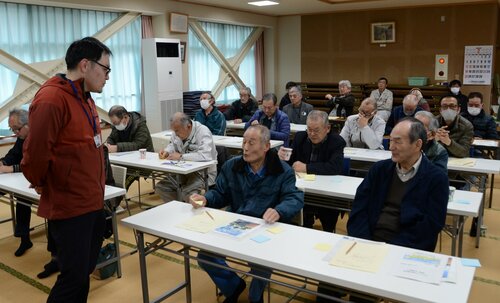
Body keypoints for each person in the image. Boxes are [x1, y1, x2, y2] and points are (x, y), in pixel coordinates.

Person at [318, 118, 449, 303]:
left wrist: (392, 251)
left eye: (398, 141)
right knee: (328, 280)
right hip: (369, 240)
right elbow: (359, 209)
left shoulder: (436, 178)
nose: (391, 147)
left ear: (418, 144)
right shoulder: (380, 170)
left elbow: (431, 225)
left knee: (366, 292)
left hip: (405, 247)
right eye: (391, 141)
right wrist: (365, 242)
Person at [21, 37, 111, 302]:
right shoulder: (52, 99)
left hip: (92, 200)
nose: (107, 76)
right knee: (72, 279)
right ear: (86, 65)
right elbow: (35, 155)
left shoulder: (85, 98)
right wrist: (42, 183)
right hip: (71, 207)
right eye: (105, 69)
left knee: (83, 273)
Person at [190, 125, 304, 303]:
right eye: (244, 142)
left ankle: (254, 296)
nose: (245, 147)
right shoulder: (232, 166)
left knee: (261, 260)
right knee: (206, 256)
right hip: (236, 221)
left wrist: (279, 210)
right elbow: (220, 193)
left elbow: (294, 197)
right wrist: (206, 199)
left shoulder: (282, 170)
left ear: (266, 146)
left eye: (251, 142)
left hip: (265, 227)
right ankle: (234, 287)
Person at [278, 110, 345, 232]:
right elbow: (290, 162)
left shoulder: (337, 141)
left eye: (316, 130)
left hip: (327, 192)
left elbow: (335, 167)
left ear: (327, 128)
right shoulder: (300, 137)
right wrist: (281, 157)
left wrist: (307, 168)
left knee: (328, 222)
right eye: (309, 129)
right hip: (302, 188)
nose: (312, 134)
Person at [156, 112, 217, 202]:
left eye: (177, 131)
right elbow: (172, 145)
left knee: (188, 193)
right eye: (174, 131)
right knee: (162, 187)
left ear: (188, 126)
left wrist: (181, 156)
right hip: (183, 171)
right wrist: (166, 152)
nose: (175, 134)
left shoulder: (203, 132)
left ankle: (189, 211)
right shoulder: (177, 132)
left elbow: (205, 156)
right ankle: (178, 208)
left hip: (203, 173)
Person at [0, 109, 32, 256]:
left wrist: (11, 168)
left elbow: (34, 163)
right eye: (12, 130)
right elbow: (13, 155)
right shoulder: (21, 137)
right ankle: (24, 237)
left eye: (16, 129)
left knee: (22, 197)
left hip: (36, 181)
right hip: (22, 177)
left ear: (28, 124)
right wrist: (2, 163)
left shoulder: (40, 136)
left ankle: (24, 239)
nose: (15, 133)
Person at [105, 105, 154, 190]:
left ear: (125, 117)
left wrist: (116, 148)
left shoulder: (140, 124)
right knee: (110, 174)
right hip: (124, 159)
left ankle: (115, 200)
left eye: (116, 123)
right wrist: (108, 144)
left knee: (122, 180)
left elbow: (137, 145)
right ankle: (111, 199)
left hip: (141, 162)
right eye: (113, 123)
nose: (115, 125)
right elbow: (112, 138)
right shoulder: (116, 126)